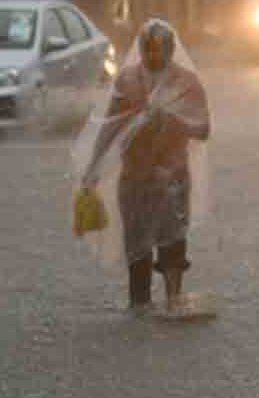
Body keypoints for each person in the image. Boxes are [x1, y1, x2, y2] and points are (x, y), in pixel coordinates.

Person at [74, 19, 211, 313]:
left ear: (171, 50)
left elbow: (203, 129)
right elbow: (110, 127)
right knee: (136, 244)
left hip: (172, 177)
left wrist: (173, 120)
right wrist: (93, 168)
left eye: (157, 51)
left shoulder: (186, 83)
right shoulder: (127, 81)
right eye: (146, 51)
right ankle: (139, 305)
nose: (151, 57)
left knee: (172, 243)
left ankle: (173, 302)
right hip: (134, 177)